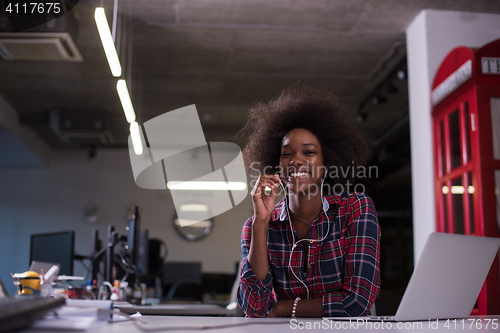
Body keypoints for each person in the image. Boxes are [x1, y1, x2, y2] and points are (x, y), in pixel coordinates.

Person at [236, 85, 380, 318]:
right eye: (286, 153)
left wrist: (283, 307)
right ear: (277, 165)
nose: (296, 161)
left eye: (309, 152)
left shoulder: (355, 209)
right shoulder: (255, 228)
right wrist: (261, 223)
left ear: (327, 162)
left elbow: (358, 301)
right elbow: (254, 308)